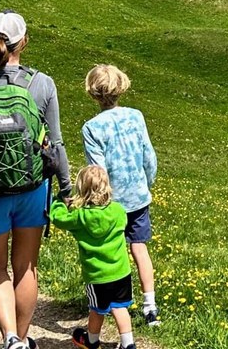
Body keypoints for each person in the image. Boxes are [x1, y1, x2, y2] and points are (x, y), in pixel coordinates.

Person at [0, 11, 71, 349]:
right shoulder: (42, 84)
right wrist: (65, 188)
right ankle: (21, 338)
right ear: (25, 42)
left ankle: (8, 337)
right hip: (32, 188)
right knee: (25, 267)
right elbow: (57, 143)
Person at [82, 65, 160, 326]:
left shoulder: (91, 128)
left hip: (110, 203)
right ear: (121, 87)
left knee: (113, 253)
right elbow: (149, 156)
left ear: (92, 93)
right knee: (139, 247)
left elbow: (98, 170)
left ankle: (113, 304)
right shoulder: (136, 116)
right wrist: (146, 183)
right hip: (138, 195)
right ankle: (150, 306)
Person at [50, 166, 138, 349]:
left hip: (98, 276)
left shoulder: (80, 217)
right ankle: (128, 344)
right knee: (120, 307)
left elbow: (58, 218)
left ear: (81, 190)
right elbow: (123, 222)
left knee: (97, 310)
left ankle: (91, 340)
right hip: (121, 271)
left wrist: (58, 202)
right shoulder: (118, 211)